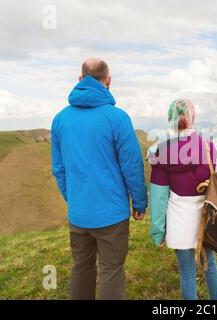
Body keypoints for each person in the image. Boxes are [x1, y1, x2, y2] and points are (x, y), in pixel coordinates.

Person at [51, 58, 147, 300]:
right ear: (109, 81)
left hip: (79, 214)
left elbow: (59, 169)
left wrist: (72, 199)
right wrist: (139, 203)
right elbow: (132, 165)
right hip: (112, 214)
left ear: (80, 79)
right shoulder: (117, 118)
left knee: (81, 268)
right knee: (111, 270)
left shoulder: (60, 119)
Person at [147, 99, 217, 300]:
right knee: (210, 265)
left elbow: (158, 198)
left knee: (187, 273)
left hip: (178, 222)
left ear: (170, 119)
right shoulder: (209, 148)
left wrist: (158, 231)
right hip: (207, 220)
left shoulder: (160, 154)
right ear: (193, 118)